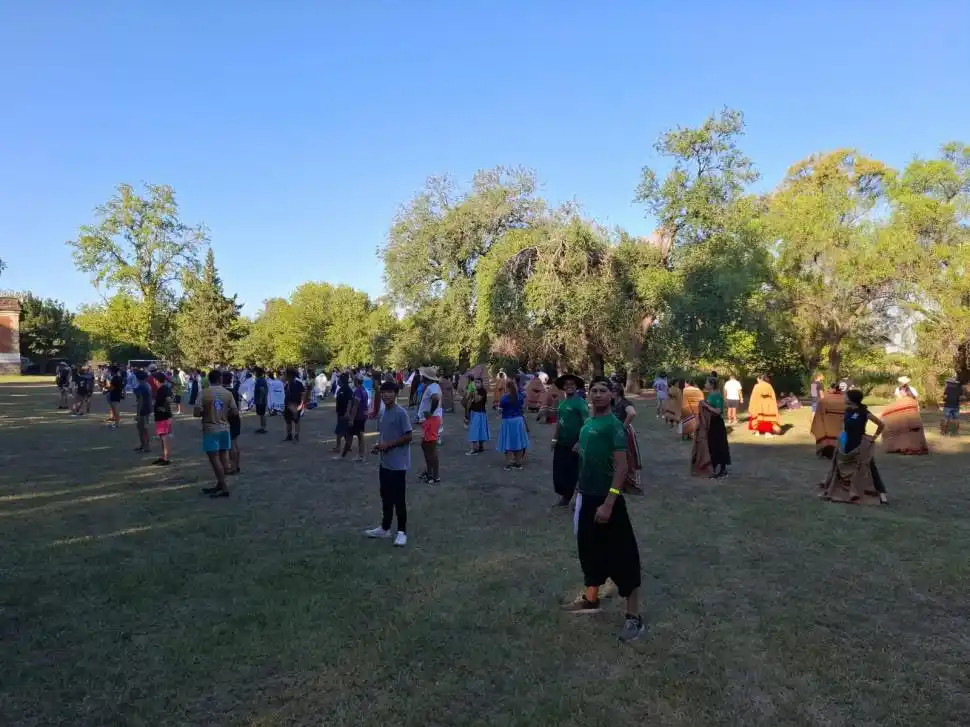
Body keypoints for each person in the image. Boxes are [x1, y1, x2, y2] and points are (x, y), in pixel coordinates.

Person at [562, 377, 644, 642]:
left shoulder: (614, 426)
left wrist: (609, 502)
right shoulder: (587, 425)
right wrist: (577, 493)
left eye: (602, 391)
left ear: (612, 396)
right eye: (593, 390)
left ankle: (633, 618)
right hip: (586, 498)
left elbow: (622, 468)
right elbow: (584, 463)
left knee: (624, 557)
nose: (596, 395)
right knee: (588, 550)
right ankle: (590, 599)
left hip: (607, 500)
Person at [364, 381, 413, 547]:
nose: (386, 395)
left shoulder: (401, 413)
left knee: (399, 499)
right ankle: (385, 528)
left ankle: (401, 531)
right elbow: (384, 436)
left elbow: (408, 436)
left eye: (390, 392)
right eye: (383, 392)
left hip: (398, 465)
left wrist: (388, 445)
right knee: (385, 496)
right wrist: (379, 446)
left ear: (396, 393)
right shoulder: (384, 413)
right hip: (385, 463)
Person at [818, 389, 888, 505]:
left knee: (869, 466)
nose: (844, 398)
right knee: (838, 466)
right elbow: (844, 426)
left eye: (846, 396)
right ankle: (835, 491)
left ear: (852, 399)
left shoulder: (863, 412)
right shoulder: (847, 411)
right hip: (846, 442)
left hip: (859, 443)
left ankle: (881, 494)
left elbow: (881, 424)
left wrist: (874, 437)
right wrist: (841, 438)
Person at [194, 369, 238, 498]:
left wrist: (206, 413)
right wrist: (224, 414)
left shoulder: (203, 393)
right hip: (225, 428)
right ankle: (220, 483)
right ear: (220, 379)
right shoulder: (227, 393)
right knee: (223, 456)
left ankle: (224, 487)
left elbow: (196, 413)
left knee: (214, 459)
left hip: (210, 429)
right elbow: (235, 412)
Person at [552, 374, 588, 506]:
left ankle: (578, 500)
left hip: (575, 443)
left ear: (576, 386)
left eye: (572, 383)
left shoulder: (581, 403)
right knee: (561, 470)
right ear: (563, 387)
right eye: (566, 384)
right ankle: (565, 496)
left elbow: (586, 424)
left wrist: (580, 442)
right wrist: (554, 439)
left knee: (575, 472)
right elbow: (558, 423)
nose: (569, 386)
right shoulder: (562, 403)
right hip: (562, 442)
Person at [692, 379, 730, 478]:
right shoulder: (711, 395)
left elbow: (718, 411)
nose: (705, 384)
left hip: (717, 423)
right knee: (711, 445)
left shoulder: (717, 396)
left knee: (719, 445)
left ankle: (723, 469)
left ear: (711, 385)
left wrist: (706, 406)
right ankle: (713, 468)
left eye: (706, 383)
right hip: (711, 423)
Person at [612, 382, 643, 494]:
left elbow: (632, 413)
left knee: (627, 458)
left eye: (613, 391)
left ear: (618, 392)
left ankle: (630, 484)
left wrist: (623, 427)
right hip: (614, 432)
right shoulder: (613, 403)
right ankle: (618, 483)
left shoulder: (625, 403)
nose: (611, 393)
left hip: (624, 433)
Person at [881, 383, 929, 455]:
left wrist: (886, 413)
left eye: (901, 392)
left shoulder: (910, 400)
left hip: (912, 420)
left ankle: (913, 448)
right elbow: (897, 407)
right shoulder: (909, 399)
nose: (900, 394)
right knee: (908, 435)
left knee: (912, 435)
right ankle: (908, 447)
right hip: (911, 420)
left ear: (906, 391)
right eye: (900, 392)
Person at [416, 367, 443, 483]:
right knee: (425, 446)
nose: (421, 376)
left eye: (422, 375)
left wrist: (430, 413)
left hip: (431, 420)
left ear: (426, 377)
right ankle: (429, 471)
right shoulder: (433, 387)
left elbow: (435, 399)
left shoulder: (432, 387)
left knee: (431, 449)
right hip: (430, 421)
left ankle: (435, 476)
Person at [497, 379, 529, 470]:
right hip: (518, 421)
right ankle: (518, 463)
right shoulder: (520, 396)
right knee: (518, 441)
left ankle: (508, 464)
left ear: (507, 388)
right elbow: (523, 407)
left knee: (508, 442)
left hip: (507, 421)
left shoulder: (504, 398)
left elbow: (500, 410)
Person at [810, 383, 845, 458]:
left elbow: (818, 417)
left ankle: (825, 449)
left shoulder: (823, 400)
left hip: (827, 431)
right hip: (841, 430)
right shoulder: (847, 401)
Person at [340, 375, 369, 461]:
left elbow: (355, 406)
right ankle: (354, 455)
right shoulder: (364, 390)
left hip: (358, 417)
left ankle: (356, 455)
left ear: (356, 381)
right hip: (363, 416)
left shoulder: (358, 391)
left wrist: (351, 419)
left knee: (353, 435)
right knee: (358, 435)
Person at [152, 371, 174, 466]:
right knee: (162, 437)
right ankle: (163, 456)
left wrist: (166, 412)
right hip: (162, 416)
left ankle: (165, 458)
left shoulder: (163, 389)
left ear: (156, 380)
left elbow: (168, 402)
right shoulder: (164, 389)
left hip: (163, 417)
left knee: (164, 438)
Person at [223, 371, 242, 474]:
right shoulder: (234, 391)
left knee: (230, 445)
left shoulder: (224, 392)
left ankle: (233, 467)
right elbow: (238, 406)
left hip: (228, 418)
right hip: (236, 418)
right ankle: (237, 465)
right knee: (235, 442)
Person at [465, 377, 490, 455]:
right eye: (475, 382)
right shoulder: (473, 391)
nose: (476, 384)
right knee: (478, 430)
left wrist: (475, 392)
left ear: (481, 383)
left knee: (475, 430)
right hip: (474, 412)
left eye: (478, 382)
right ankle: (480, 447)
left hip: (480, 412)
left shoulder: (482, 391)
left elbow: (477, 400)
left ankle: (475, 448)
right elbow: (468, 400)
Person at [332, 373, 354, 455]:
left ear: (342, 380)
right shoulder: (340, 389)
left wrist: (347, 412)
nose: (337, 381)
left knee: (339, 431)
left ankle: (338, 447)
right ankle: (348, 446)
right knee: (345, 431)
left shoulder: (347, 390)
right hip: (340, 412)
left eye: (339, 380)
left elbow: (350, 401)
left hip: (344, 413)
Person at [283, 368, 305, 442]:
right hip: (287, 405)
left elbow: (302, 395)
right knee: (288, 421)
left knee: (296, 420)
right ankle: (289, 435)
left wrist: (301, 405)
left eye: (285, 374)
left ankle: (296, 435)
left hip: (296, 405)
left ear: (290, 375)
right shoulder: (286, 384)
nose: (284, 376)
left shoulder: (298, 384)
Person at [133, 370, 153, 454]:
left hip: (143, 409)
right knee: (143, 428)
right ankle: (143, 445)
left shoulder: (141, 387)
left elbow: (140, 400)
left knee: (142, 428)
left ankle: (146, 446)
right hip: (147, 408)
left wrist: (138, 413)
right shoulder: (147, 385)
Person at [252, 367, 269, 433]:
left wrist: (261, 400)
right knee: (262, 414)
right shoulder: (261, 379)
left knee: (262, 414)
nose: (254, 373)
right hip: (261, 400)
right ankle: (262, 427)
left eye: (255, 372)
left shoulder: (260, 380)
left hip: (260, 400)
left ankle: (263, 428)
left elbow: (262, 390)